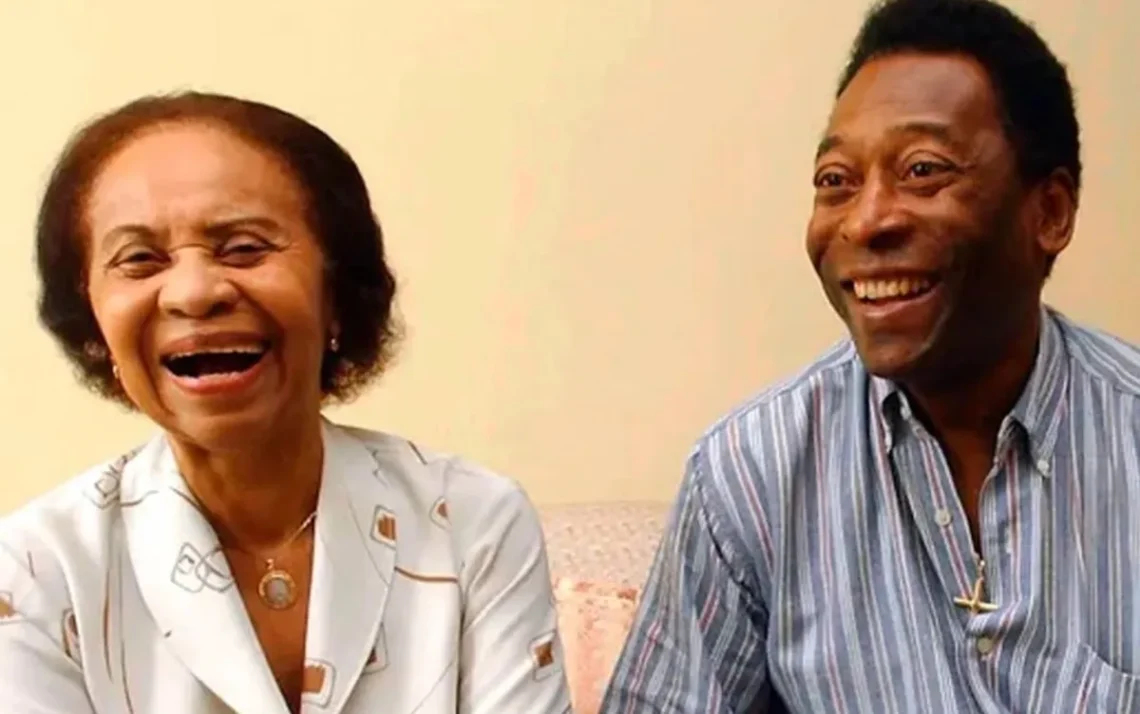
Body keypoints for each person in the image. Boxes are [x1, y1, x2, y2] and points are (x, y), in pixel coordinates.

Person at [601, 0, 1140, 712]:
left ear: (1051, 212)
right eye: (836, 181)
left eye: (922, 170)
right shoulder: (749, 476)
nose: (867, 219)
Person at [0, 92, 572, 714]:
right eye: (139, 260)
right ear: (92, 322)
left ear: (337, 292)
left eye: (244, 248)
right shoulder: (34, 568)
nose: (194, 293)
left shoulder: (471, 521)